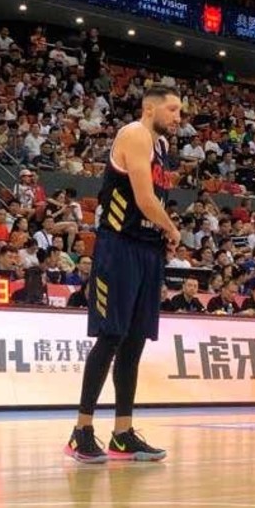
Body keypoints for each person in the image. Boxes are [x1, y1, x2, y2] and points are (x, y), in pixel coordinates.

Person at [64, 85, 181, 464]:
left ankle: (123, 433)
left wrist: (163, 235)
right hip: (119, 246)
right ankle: (81, 429)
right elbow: (145, 200)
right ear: (150, 108)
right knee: (111, 336)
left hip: (148, 250)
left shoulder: (162, 147)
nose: (179, 117)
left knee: (134, 342)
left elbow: (152, 204)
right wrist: (172, 229)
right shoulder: (134, 134)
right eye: (173, 109)